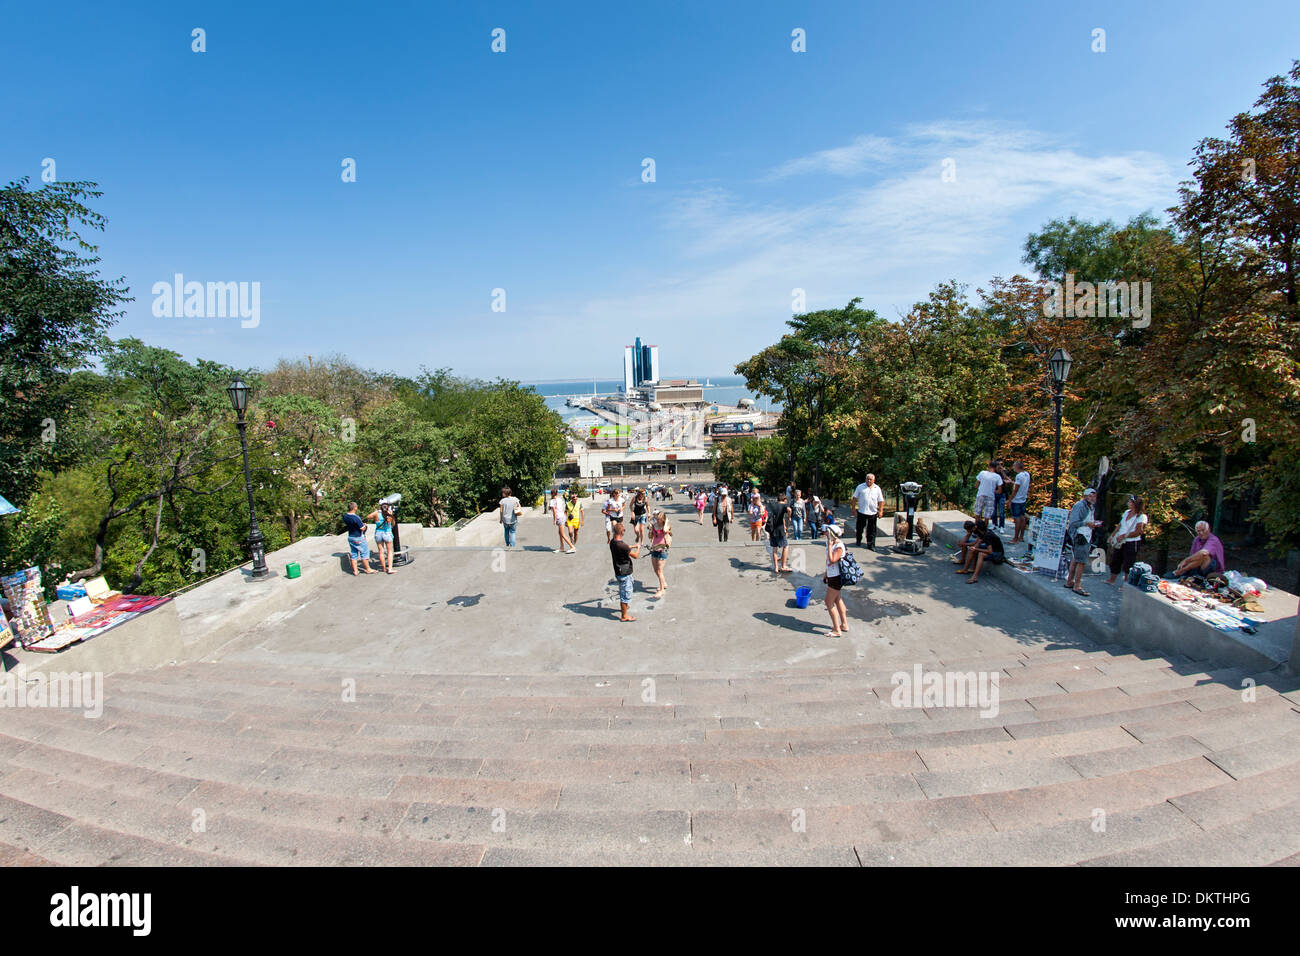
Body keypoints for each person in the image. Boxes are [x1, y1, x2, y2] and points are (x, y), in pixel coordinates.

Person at [1064, 488, 1103, 596]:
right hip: (1081, 536)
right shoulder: (1080, 506)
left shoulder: (1090, 506)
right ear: (1085, 496)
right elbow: (1074, 522)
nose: (1092, 498)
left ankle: (1069, 582)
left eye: (1094, 496)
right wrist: (1087, 524)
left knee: (1076, 559)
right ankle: (1077, 586)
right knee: (1082, 562)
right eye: (1090, 496)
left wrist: (1092, 524)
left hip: (1085, 534)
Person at [1105, 494, 1147, 586]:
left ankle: (1126, 584)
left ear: (1134, 504)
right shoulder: (1126, 512)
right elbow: (1120, 525)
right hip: (1120, 540)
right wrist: (1113, 535)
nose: (1128, 503)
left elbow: (1139, 531)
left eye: (1130, 502)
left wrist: (1125, 536)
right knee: (1115, 559)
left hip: (1132, 542)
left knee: (1128, 563)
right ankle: (1112, 579)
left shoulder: (1141, 517)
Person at [608, 522, 642, 622]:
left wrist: (631, 546)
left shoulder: (613, 542)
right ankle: (624, 616)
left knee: (623, 590)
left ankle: (625, 607)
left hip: (618, 571)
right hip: (625, 572)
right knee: (625, 595)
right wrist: (638, 548)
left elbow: (624, 548)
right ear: (622, 532)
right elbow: (635, 556)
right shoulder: (623, 546)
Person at [822, 520, 849, 638]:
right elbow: (828, 562)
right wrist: (826, 573)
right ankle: (844, 624)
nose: (826, 534)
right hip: (832, 575)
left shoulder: (838, 546)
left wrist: (829, 545)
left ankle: (837, 629)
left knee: (828, 602)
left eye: (827, 533)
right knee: (838, 600)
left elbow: (833, 560)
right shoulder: (834, 544)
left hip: (836, 577)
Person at [342, 502, 377, 576]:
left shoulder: (345, 516)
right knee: (364, 553)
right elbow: (362, 528)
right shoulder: (356, 518)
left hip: (351, 537)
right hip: (358, 537)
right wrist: (365, 526)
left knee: (354, 554)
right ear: (355, 508)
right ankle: (368, 569)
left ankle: (355, 571)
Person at [851, 473, 884, 550]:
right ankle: (858, 540)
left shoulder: (877, 488)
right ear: (865, 479)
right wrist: (853, 508)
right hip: (862, 511)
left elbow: (881, 501)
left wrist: (881, 511)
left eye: (870, 479)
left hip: (872, 512)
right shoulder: (860, 487)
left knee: (872, 530)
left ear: (874, 480)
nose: (869, 481)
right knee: (859, 528)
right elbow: (854, 498)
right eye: (867, 479)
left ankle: (871, 544)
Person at [648, 508, 673, 596]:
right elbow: (650, 536)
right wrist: (651, 528)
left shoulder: (666, 526)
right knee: (656, 570)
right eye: (656, 519)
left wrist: (666, 521)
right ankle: (664, 583)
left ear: (663, 519)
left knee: (659, 570)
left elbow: (666, 530)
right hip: (654, 548)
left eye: (659, 519)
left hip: (663, 549)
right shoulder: (654, 525)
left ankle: (661, 590)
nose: (657, 521)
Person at [769, 492, 792, 574]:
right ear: (784, 499)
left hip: (772, 530)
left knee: (774, 549)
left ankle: (776, 567)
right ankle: (783, 566)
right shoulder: (784, 505)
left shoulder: (773, 505)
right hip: (780, 530)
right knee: (785, 546)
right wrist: (789, 517)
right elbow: (789, 509)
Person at [369, 502, 396, 574]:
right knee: (389, 551)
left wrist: (376, 512)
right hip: (387, 532)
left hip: (378, 533)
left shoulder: (377, 513)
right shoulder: (389, 513)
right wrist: (391, 515)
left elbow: (368, 517)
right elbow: (393, 524)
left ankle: (384, 568)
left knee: (381, 551)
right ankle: (390, 568)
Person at [1009, 461, 1031, 544]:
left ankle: (1015, 538)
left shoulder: (1018, 476)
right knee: (1022, 517)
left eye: (1014, 466)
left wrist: (1010, 500)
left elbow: (1015, 490)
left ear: (1017, 467)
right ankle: (1021, 537)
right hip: (1023, 499)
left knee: (1017, 519)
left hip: (1017, 500)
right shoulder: (1027, 474)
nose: (1013, 467)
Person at [992, 460, 1009, 532]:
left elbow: (1008, 480)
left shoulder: (1005, 472)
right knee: (994, 510)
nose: (1000, 466)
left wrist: (1002, 472)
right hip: (994, 492)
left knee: (1001, 511)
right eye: (998, 464)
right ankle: (994, 524)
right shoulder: (993, 473)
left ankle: (1002, 526)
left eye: (1001, 464)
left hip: (1002, 494)